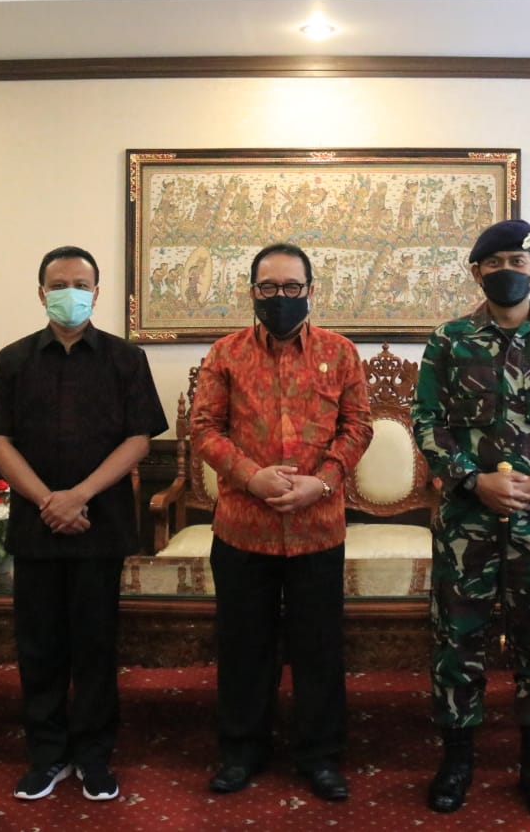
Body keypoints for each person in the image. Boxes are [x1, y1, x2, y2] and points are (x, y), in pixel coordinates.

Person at [411, 219, 530, 821]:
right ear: (477, 273)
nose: (506, 272)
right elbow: (426, 421)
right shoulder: (449, 341)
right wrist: (475, 480)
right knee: (457, 644)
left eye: (516, 262)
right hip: (467, 525)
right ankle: (457, 762)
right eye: (493, 264)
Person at [0, 245, 167, 803]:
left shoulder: (125, 359)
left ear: (97, 292)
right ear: (42, 293)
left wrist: (79, 496)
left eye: (81, 285)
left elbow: (139, 439)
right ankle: (47, 755)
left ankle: (93, 755)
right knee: (39, 646)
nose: (71, 293)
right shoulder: (13, 360)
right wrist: (48, 501)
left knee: (95, 645)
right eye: (59, 284)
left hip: (100, 524)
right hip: (35, 524)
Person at [191, 242, 373, 802]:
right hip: (244, 527)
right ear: (252, 292)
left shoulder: (341, 352)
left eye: (292, 287)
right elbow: (204, 428)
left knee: (319, 648)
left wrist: (323, 482)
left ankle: (319, 756)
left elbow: (358, 426)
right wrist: (252, 477)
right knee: (244, 646)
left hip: (318, 528)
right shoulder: (224, 354)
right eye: (268, 287)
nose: (280, 297)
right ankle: (241, 751)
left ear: (311, 290)